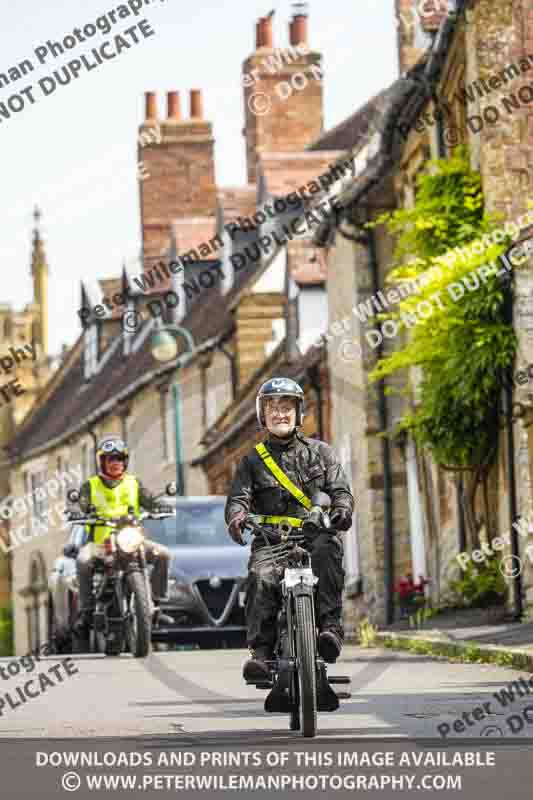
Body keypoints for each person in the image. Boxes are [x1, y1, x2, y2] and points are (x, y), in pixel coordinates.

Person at [225, 377, 354, 682]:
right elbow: (238, 498)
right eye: (273, 408)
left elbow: (341, 491)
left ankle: (330, 631)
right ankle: (261, 654)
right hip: (271, 540)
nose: (280, 414)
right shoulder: (252, 461)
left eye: (287, 407)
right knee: (259, 577)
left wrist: (341, 510)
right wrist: (237, 516)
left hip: (315, 536)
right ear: (263, 414)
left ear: (299, 413)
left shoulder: (322, 453)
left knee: (329, 551)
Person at [74, 435, 172, 634]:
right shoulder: (90, 485)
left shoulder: (134, 483)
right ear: (102, 462)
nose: (115, 463)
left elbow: (150, 500)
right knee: (83, 560)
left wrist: (161, 506)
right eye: (110, 459)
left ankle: (156, 604)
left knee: (163, 554)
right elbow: (83, 503)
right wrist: (85, 508)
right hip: (101, 543)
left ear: (125, 461)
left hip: (130, 539)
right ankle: (86, 612)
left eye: (119, 459)